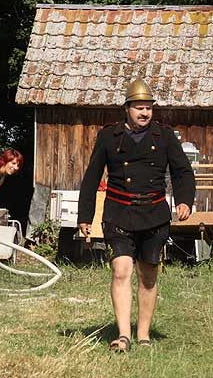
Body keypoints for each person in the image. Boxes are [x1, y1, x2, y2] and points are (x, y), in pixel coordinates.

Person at [78, 78, 195, 353]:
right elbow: (92, 175)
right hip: (119, 213)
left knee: (148, 275)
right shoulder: (109, 136)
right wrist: (85, 214)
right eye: (139, 108)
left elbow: (182, 171)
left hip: (154, 214)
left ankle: (143, 334)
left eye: (148, 108)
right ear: (127, 109)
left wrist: (184, 200)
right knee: (121, 271)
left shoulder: (164, 136)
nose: (145, 113)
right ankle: (123, 335)